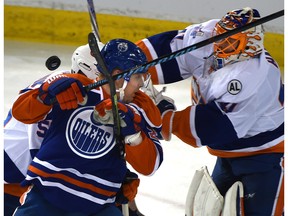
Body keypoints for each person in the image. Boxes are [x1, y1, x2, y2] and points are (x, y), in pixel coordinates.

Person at [137, 7, 284, 215]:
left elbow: (212, 127)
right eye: (220, 35)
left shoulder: (254, 76)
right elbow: (169, 52)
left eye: (230, 40)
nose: (219, 44)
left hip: (264, 157)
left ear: (249, 46)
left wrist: (166, 117)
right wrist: (129, 63)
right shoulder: (207, 36)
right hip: (226, 156)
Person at [11, 38, 163, 216]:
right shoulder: (73, 86)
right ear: (118, 75)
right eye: (137, 77)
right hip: (46, 196)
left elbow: (150, 166)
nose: (140, 84)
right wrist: (44, 94)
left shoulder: (137, 109)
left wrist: (133, 135)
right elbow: (20, 113)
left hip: (98, 206)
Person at [4, 42, 104, 216]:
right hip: (11, 172)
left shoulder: (91, 96)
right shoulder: (60, 85)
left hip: (29, 177)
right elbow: (34, 132)